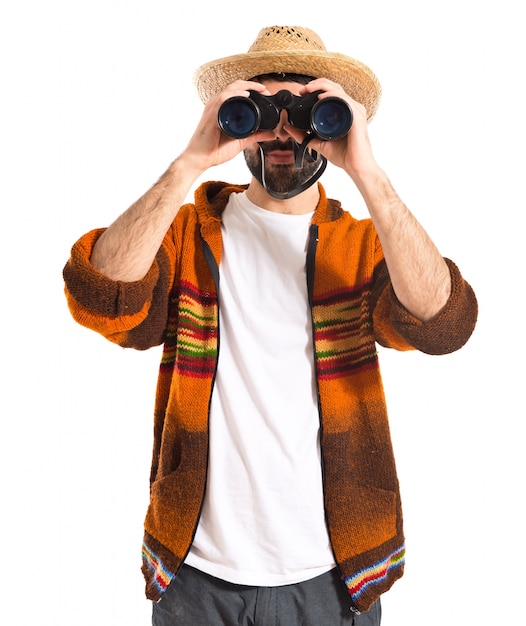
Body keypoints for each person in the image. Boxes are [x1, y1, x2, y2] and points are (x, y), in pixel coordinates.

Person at [63, 25, 478, 625]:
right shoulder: (186, 236)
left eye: (307, 108)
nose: (284, 128)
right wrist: (189, 163)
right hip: (195, 574)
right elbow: (100, 298)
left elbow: (445, 324)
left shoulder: (360, 248)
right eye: (262, 107)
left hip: (336, 575)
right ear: (235, 116)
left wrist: (370, 175)